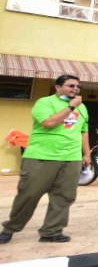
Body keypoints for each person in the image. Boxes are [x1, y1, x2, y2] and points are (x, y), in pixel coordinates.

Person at [0, 74, 91, 245]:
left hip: (71, 158)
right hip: (40, 157)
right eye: (70, 85)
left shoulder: (82, 108)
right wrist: (71, 106)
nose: (75, 89)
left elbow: (83, 131)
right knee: (29, 194)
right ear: (57, 87)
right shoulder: (45, 103)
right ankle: (10, 228)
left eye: (77, 86)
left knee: (64, 196)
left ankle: (52, 231)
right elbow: (49, 123)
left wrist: (86, 154)